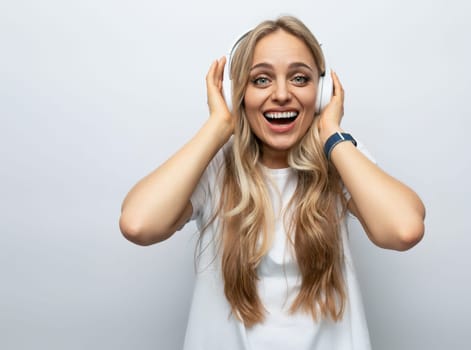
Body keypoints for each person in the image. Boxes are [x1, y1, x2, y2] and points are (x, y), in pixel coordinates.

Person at [119, 15, 425, 350]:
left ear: (322, 92)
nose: (281, 94)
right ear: (238, 93)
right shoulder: (217, 163)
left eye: (299, 78)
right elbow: (138, 224)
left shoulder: (339, 157)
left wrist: (333, 135)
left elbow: (404, 229)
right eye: (261, 80)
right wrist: (219, 125)